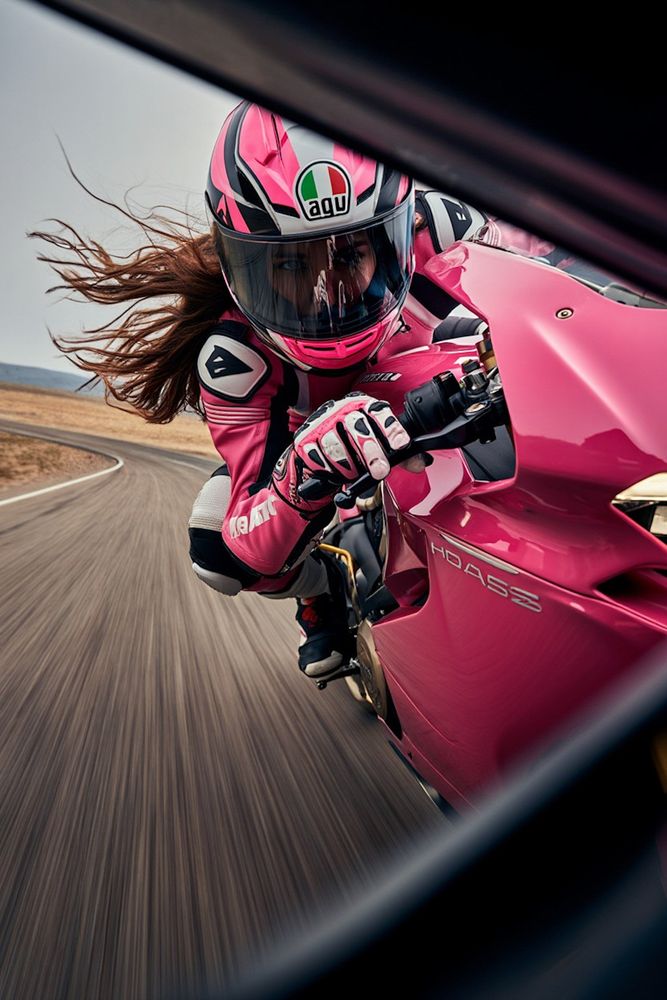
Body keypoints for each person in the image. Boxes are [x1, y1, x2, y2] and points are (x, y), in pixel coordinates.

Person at [30, 99, 500, 681]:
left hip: (447, 390)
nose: (328, 292)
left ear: (393, 237)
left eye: (349, 253)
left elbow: (561, 280)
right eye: (294, 266)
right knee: (215, 551)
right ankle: (322, 587)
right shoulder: (235, 361)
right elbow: (247, 537)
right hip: (308, 442)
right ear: (245, 264)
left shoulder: (450, 231)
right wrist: (304, 470)